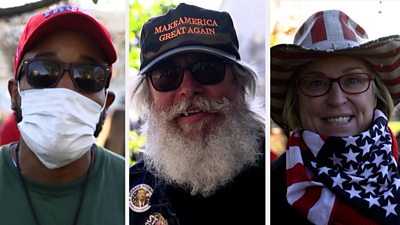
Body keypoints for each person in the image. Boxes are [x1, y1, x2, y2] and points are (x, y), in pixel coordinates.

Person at [129, 3, 265, 225]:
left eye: (207, 68)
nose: (188, 89)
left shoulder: (280, 180)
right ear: (148, 98)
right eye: (167, 75)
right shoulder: (129, 195)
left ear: (239, 84)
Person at [270, 9, 400, 225]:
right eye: (316, 83)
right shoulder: (270, 190)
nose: (337, 99)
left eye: (353, 80)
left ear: (375, 95)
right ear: (297, 102)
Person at [0, 5, 124, 225]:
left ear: (106, 102)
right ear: (14, 94)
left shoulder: (130, 187)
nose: (66, 89)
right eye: (43, 70)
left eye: (89, 75)